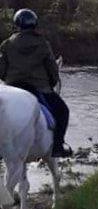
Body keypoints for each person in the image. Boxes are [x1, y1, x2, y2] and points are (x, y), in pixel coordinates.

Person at [0, 9, 72, 157]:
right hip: (39, 88)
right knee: (63, 111)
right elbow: (52, 69)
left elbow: (1, 71)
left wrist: (9, 81)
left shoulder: (6, 44)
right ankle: (58, 146)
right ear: (34, 25)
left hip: (12, 87)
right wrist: (51, 84)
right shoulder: (43, 43)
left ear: (17, 25)